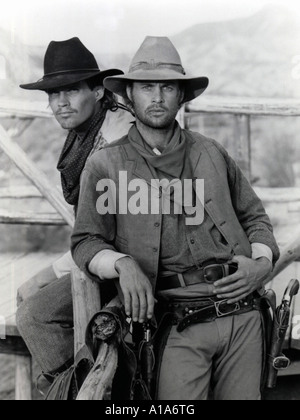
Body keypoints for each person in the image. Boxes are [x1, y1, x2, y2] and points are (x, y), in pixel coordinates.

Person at [71, 36, 280, 400]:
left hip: (244, 314)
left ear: (181, 96)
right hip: (179, 322)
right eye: (147, 87)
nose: (157, 96)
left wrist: (261, 262)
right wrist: (123, 264)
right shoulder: (106, 165)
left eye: (167, 87)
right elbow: (86, 241)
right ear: (129, 96)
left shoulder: (211, 152)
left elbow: (255, 217)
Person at [16, 38, 132, 379]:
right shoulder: (86, 133)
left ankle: (82, 387)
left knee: (35, 315)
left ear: (97, 91)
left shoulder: (115, 141)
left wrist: (49, 273)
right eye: (53, 94)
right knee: (29, 299)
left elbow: (111, 232)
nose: (60, 103)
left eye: (71, 91)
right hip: (104, 252)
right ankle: (70, 383)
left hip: (132, 258)